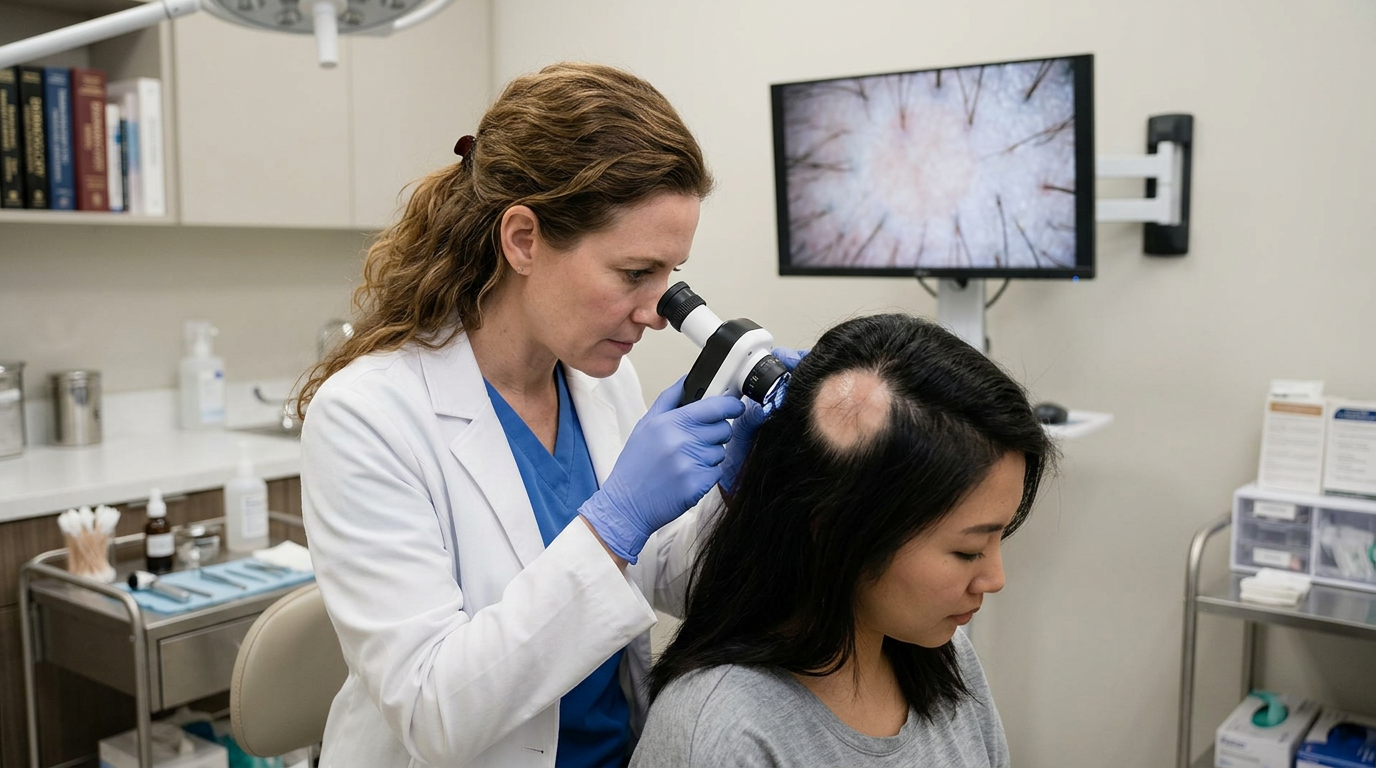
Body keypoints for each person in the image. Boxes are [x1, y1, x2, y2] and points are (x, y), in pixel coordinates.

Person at [295, 62, 792, 768]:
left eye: (669, 277)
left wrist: (737, 488)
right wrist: (612, 522)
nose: (655, 312)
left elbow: (664, 578)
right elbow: (435, 712)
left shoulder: (600, 379)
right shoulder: (367, 417)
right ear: (524, 239)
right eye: (632, 274)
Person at [631, 313, 1057, 768]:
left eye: (999, 538)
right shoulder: (722, 732)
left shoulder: (940, 657)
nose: (994, 579)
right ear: (834, 526)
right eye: (968, 550)